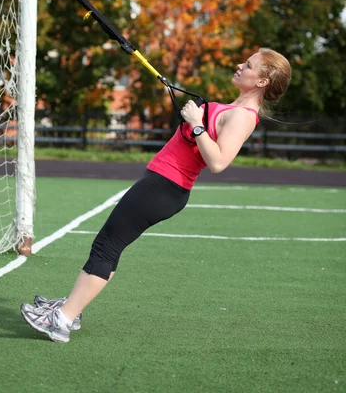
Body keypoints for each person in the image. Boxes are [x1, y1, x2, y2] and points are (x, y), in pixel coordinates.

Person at [20, 47, 291, 343]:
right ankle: (71, 308)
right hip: (162, 184)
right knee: (110, 246)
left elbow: (218, 162)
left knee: (106, 246)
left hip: (165, 187)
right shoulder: (233, 108)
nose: (240, 65)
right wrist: (198, 121)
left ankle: (62, 319)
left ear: (263, 81)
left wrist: (196, 124)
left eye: (249, 64)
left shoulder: (243, 116)